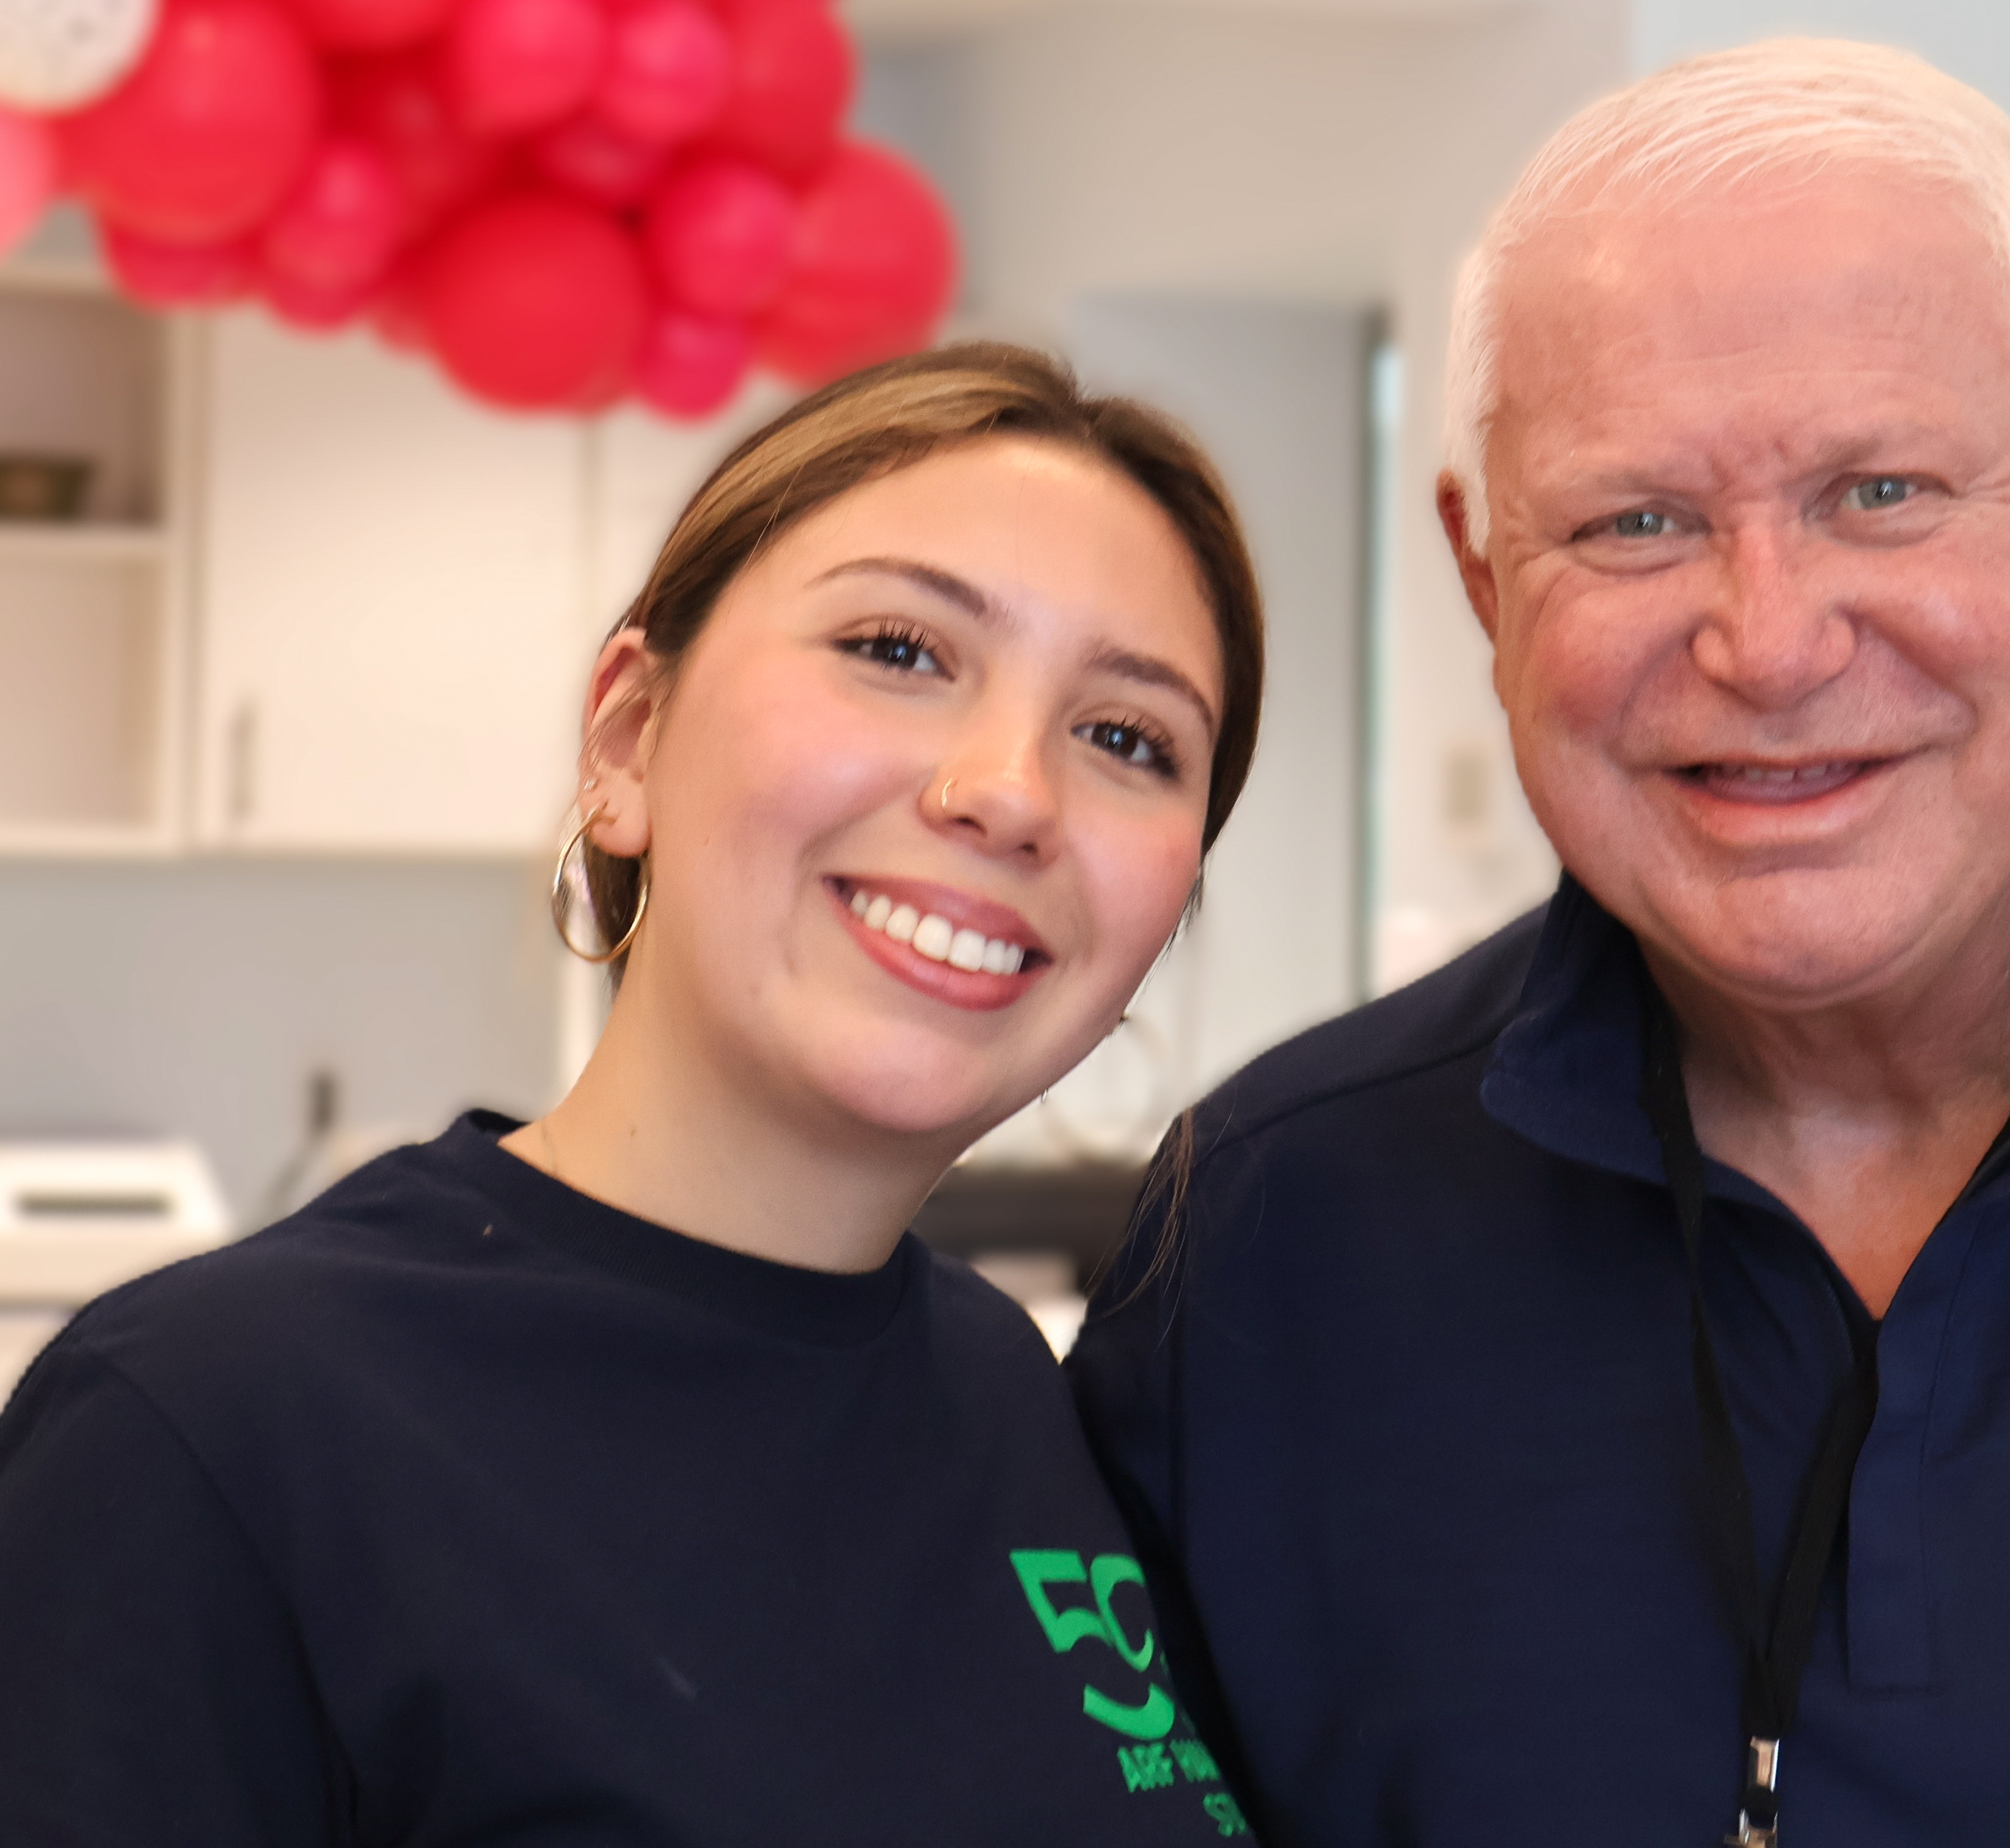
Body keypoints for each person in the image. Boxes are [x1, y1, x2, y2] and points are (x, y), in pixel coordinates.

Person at [1069, 39, 2010, 1848]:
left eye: (1882, 493)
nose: (1768, 644)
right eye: (1637, 522)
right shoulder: (1261, 1241)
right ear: (1484, 581)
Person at [0, 345, 1261, 1846]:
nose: (1010, 791)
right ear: (626, 739)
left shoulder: (1007, 1388)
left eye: (1128, 738)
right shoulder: (212, 1423)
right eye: (899, 649)